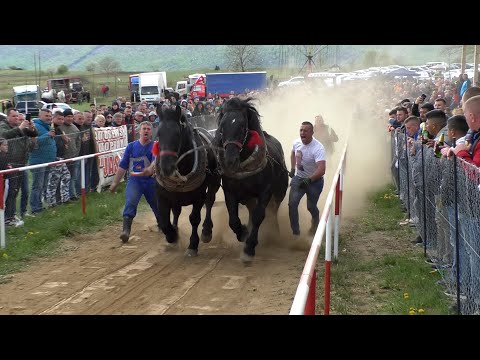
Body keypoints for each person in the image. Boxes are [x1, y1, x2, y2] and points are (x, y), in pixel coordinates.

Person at [109, 121, 161, 243]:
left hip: (150, 181)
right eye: (144, 129)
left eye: (149, 129)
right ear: (139, 131)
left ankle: (162, 225)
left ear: (151, 132)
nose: (146, 131)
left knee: (157, 205)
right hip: (135, 181)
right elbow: (123, 166)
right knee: (130, 203)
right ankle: (126, 231)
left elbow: (156, 160)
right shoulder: (131, 146)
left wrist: (150, 169)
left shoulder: (155, 145)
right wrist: (114, 183)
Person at [288, 121, 326, 237]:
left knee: (311, 206)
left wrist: (309, 180)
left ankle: (315, 224)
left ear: (312, 133)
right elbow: (293, 153)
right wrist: (293, 169)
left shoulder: (318, 148)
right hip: (298, 178)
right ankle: (296, 233)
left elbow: (322, 170)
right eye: (301, 130)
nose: (302, 133)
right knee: (292, 204)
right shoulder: (296, 142)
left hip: (315, 181)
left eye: (305, 131)